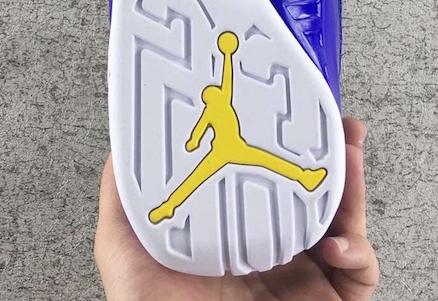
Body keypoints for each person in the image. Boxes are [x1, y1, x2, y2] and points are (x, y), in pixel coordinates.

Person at [95, 116, 379, 300]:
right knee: (220, 173)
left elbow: (224, 83)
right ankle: (169, 207)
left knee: (250, 165)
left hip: (232, 148)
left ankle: (305, 176)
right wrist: (194, 140)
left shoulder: (219, 99)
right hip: (224, 151)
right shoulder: (213, 107)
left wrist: (228, 57)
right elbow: (200, 129)